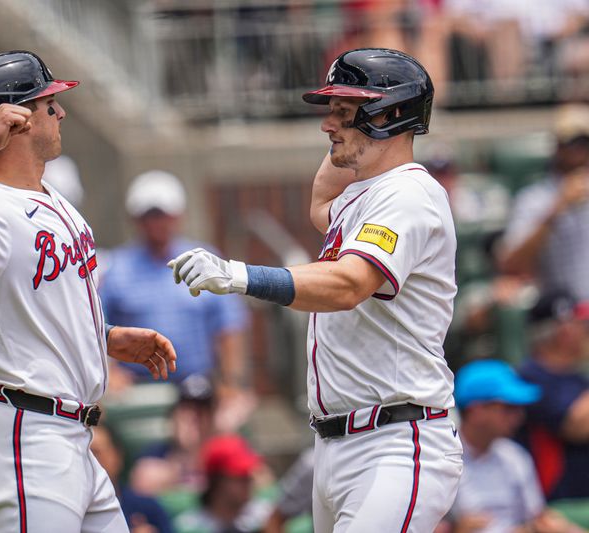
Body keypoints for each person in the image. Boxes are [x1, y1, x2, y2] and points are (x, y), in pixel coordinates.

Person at [170, 48, 463, 532]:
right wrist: (349, 136)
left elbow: (349, 284)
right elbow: (321, 200)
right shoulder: (362, 193)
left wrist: (240, 275)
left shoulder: (409, 194)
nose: (328, 125)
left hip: (393, 440)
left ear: (389, 114)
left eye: (343, 111)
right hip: (338, 445)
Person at [0, 50, 177, 532]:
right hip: (22, 432)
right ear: (15, 119)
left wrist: (106, 336)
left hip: (72, 436)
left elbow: (37, 306)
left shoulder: (55, 200)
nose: (61, 113)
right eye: (49, 103)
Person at [100, 170, 248, 389]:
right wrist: (110, 373)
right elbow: (97, 328)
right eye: (150, 216)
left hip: (199, 384)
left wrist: (231, 384)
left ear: (179, 215)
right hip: (136, 389)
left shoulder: (206, 260)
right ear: (136, 220)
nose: (158, 223)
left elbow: (228, 327)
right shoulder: (116, 268)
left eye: (164, 214)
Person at [447, 359, 574, 533]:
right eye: (509, 408)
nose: (519, 416)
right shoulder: (439, 458)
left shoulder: (515, 456)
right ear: (476, 410)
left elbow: (538, 518)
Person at [498, 104, 589, 301]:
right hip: (561, 309)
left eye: (585, 143)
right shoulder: (535, 198)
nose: (580, 152)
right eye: (574, 143)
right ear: (558, 146)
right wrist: (557, 210)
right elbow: (510, 264)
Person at [517, 291, 589, 501]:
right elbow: (576, 426)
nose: (585, 331)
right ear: (563, 332)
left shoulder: (579, 377)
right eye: (580, 324)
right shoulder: (530, 376)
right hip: (556, 504)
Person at [130, 373, 218, 496]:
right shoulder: (157, 451)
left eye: (201, 410)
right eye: (186, 409)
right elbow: (141, 482)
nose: (193, 416)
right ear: (173, 415)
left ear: (212, 417)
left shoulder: (221, 452)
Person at [173, 434, 270, 533]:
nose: (249, 481)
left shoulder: (268, 517)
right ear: (217, 481)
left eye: (248, 475)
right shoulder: (191, 525)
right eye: (240, 476)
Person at [90, 423, 174, 533]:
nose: (90, 461)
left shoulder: (148, 509)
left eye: (96, 453)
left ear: (117, 456)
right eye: (85, 454)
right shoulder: (68, 509)